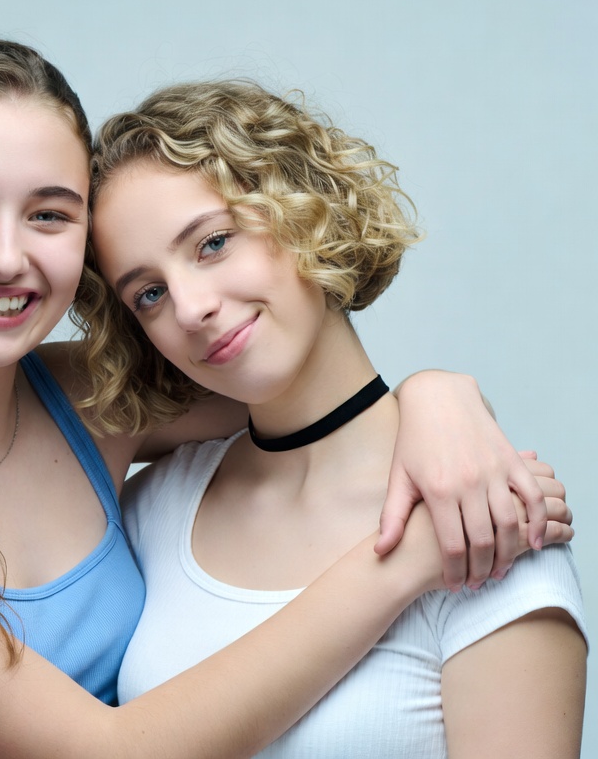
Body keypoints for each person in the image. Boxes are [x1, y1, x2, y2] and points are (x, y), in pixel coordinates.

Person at [0, 41, 571, 759]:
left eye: (50, 214)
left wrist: (442, 396)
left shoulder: (89, 403)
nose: (7, 257)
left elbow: (300, 387)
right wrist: (408, 561)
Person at [84, 79, 587, 758]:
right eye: (149, 294)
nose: (191, 307)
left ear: (303, 209)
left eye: (213, 243)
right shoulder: (152, 510)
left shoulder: (483, 520)